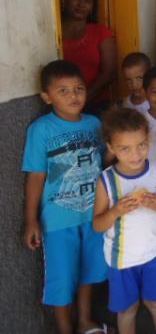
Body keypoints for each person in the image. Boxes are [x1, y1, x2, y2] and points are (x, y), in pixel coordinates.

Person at [22, 60, 108, 334]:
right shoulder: (41, 129)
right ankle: (64, 328)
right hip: (58, 219)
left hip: (94, 214)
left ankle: (84, 321)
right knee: (63, 277)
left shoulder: (94, 123)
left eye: (79, 89)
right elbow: (35, 176)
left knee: (88, 272)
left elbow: (101, 162)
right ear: (47, 97)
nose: (74, 96)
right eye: (63, 91)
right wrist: (31, 220)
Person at [93, 108, 156, 334]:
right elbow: (98, 224)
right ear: (111, 148)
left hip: (155, 252)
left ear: (148, 140)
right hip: (122, 257)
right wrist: (115, 211)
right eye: (125, 148)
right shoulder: (107, 180)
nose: (135, 154)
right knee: (128, 309)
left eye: (141, 145)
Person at [61, 0, 117, 113]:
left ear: (92, 7)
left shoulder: (101, 33)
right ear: (64, 0)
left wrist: (82, 99)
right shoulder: (53, 32)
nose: (81, 4)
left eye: (87, 0)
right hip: (60, 105)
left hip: (95, 105)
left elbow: (109, 73)